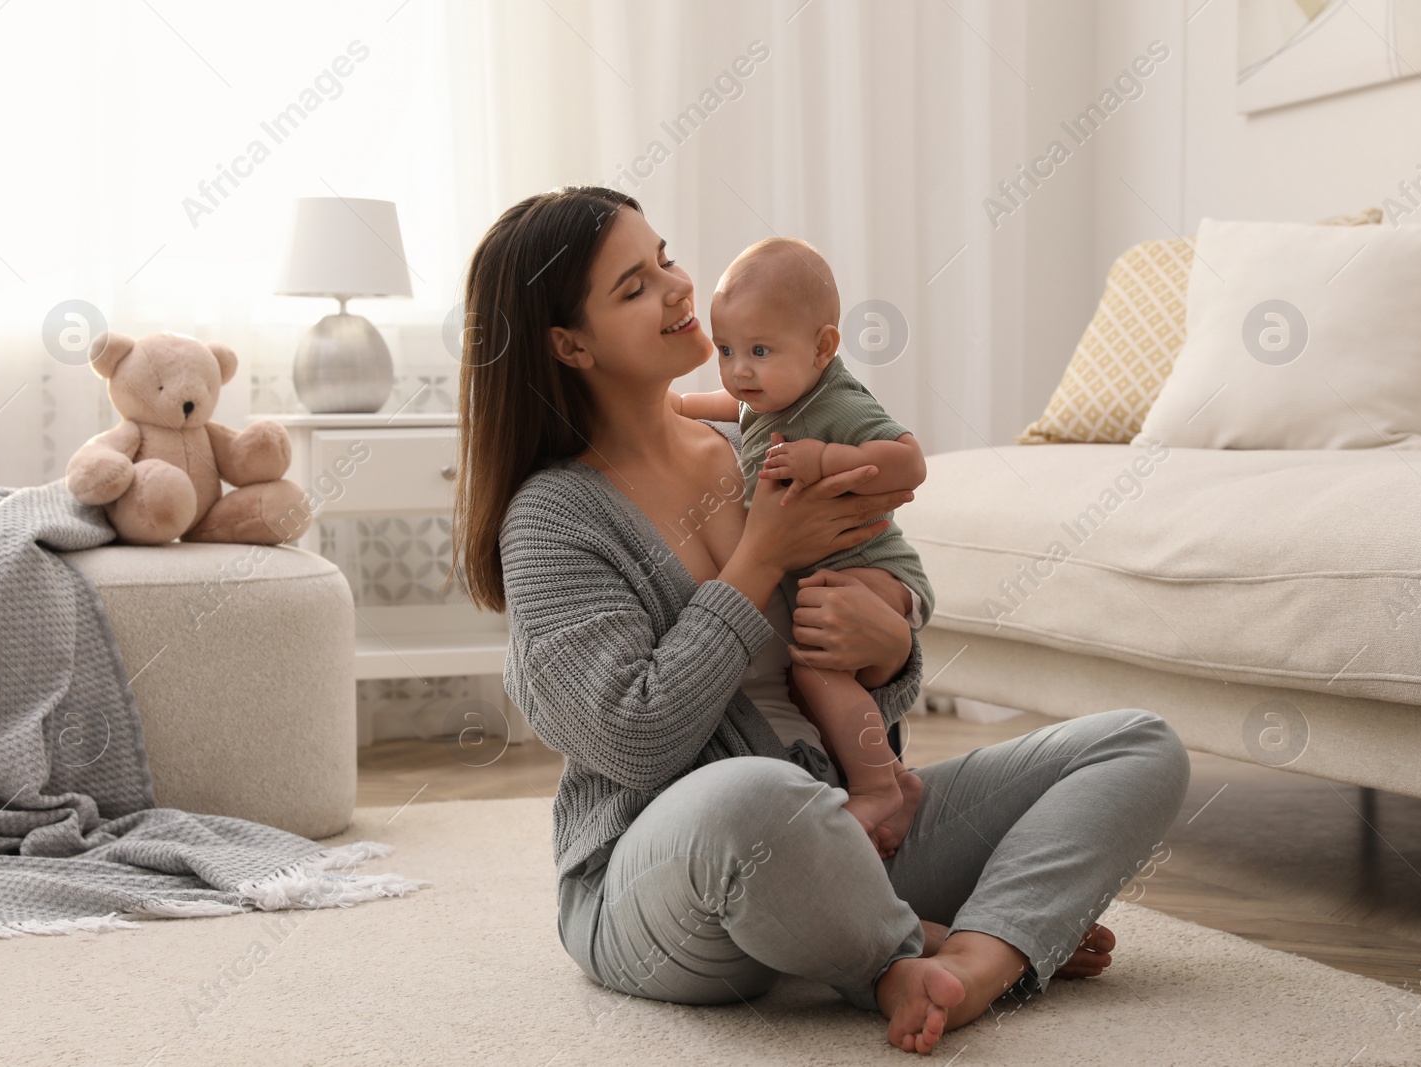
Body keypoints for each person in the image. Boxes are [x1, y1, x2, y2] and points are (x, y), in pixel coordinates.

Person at [450, 185, 1191, 1055]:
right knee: (754, 794)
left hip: (843, 834)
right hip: (669, 883)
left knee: (1139, 745)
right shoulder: (554, 519)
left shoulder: (759, 444)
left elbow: (863, 620)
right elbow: (637, 736)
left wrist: (892, 652)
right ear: (569, 344)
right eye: (634, 287)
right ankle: (904, 947)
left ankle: (978, 964)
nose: (679, 287)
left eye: (664, 258)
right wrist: (759, 554)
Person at [671, 235, 934, 855]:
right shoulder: (768, 392)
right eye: (728, 350)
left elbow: (910, 462)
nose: (738, 371)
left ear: (823, 348)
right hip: (835, 572)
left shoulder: (837, 403)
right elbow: (729, 407)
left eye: (760, 350)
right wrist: (676, 405)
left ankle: (876, 788)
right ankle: (895, 776)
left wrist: (829, 457)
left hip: (873, 570)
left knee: (814, 669)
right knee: (807, 676)